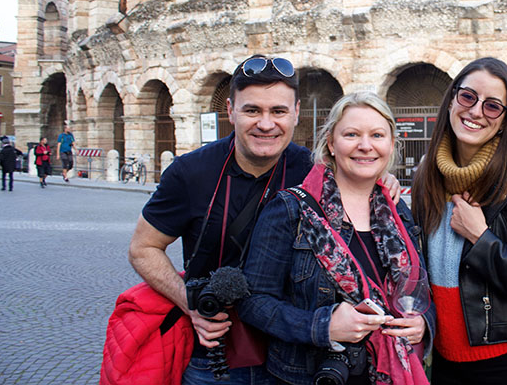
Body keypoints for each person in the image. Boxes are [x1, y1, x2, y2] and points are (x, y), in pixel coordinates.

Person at [128, 55, 400, 385]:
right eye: (252, 110)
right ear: (230, 110)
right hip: (215, 354)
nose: (266, 123)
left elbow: (360, 184)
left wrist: (381, 181)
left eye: (278, 111)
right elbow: (143, 248)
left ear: (296, 113)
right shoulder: (191, 172)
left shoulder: (314, 173)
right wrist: (191, 305)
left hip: (291, 356)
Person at [239, 91, 433, 385]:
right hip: (310, 375)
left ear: (391, 144)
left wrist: (423, 325)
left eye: (377, 135)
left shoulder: (398, 210)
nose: (365, 146)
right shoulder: (291, 210)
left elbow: (420, 290)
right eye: (352, 134)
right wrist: (323, 326)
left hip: (394, 371)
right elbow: (253, 301)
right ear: (331, 143)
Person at [411, 57, 507, 385]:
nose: (476, 111)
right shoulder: (427, 177)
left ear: (506, 119)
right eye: (468, 97)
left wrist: (481, 238)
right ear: (452, 98)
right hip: (443, 364)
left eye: (492, 106)